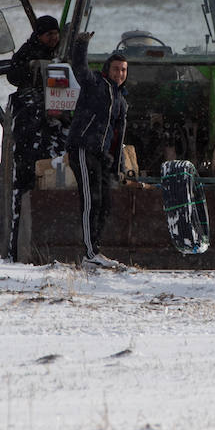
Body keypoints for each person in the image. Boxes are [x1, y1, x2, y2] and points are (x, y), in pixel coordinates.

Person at [65, 30, 128, 268]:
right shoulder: (95, 83)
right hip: (83, 149)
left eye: (123, 70)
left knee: (104, 203)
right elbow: (79, 67)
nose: (119, 74)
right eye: (116, 69)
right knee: (91, 201)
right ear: (107, 69)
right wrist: (81, 44)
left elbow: (118, 136)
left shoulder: (121, 100)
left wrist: (119, 166)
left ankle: (96, 251)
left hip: (103, 157)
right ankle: (89, 254)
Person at [2, 16, 62, 259]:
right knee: (29, 158)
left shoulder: (63, 51)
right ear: (39, 35)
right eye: (49, 35)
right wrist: (31, 69)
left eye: (56, 34)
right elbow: (13, 75)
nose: (54, 38)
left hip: (57, 100)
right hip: (35, 105)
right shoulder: (27, 52)